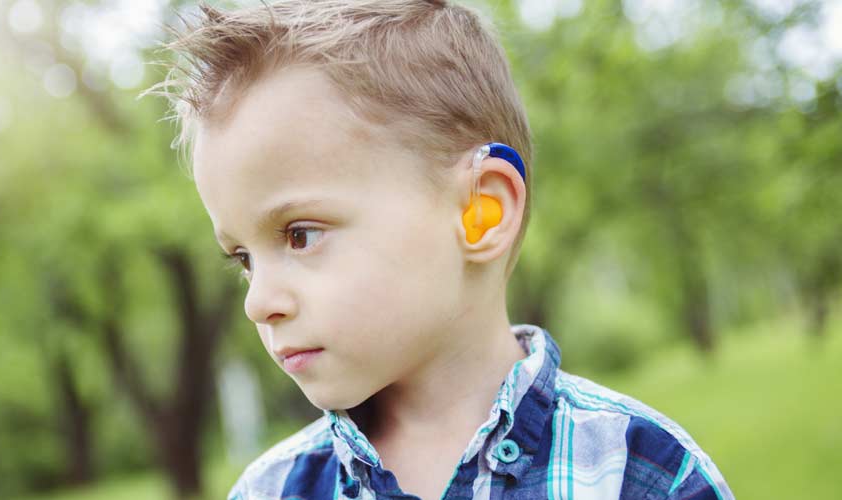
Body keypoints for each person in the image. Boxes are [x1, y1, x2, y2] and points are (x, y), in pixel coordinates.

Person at [146, 0, 733, 498]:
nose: (258, 303)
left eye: (300, 234)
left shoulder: (638, 471)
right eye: (244, 259)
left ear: (482, 212)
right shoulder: (271, 489)